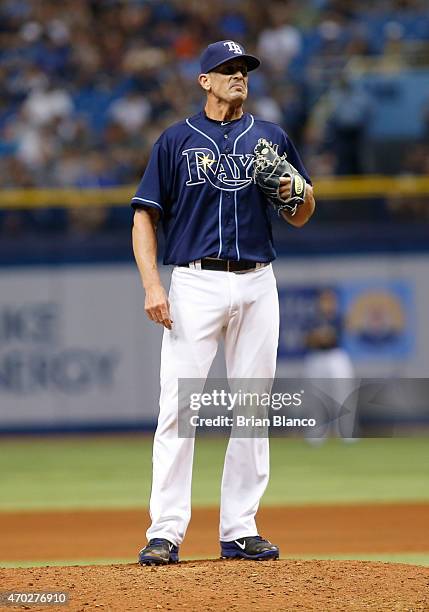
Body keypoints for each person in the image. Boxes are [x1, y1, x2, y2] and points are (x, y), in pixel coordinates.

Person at [131, 40, 315, 565]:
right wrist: (152, 284)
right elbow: (145, 216)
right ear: (204, 81)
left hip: (258, 281)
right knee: (178, 409)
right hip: (195, 281)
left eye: (244, 69)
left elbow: (304, 212)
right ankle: (165, 531)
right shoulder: (175, 140)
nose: (238, 75)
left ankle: (240, 528)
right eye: (226, 69)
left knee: (254, 410)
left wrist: (292, 190)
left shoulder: (270, 137)